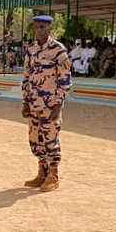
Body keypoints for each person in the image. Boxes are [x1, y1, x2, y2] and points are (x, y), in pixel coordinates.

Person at [21, 15, 72, 193]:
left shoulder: (58, 51)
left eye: (42, 27)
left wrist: (58, 104)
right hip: (34, 104)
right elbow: (27, 77)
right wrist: (25, 101)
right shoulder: (31, 50)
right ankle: (42, 171)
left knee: (50, 140)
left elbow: (65, 80)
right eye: (36, 27)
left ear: (49, 28)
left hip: (50, 105)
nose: (38, 30)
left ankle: (53, 175)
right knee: (35, 140)